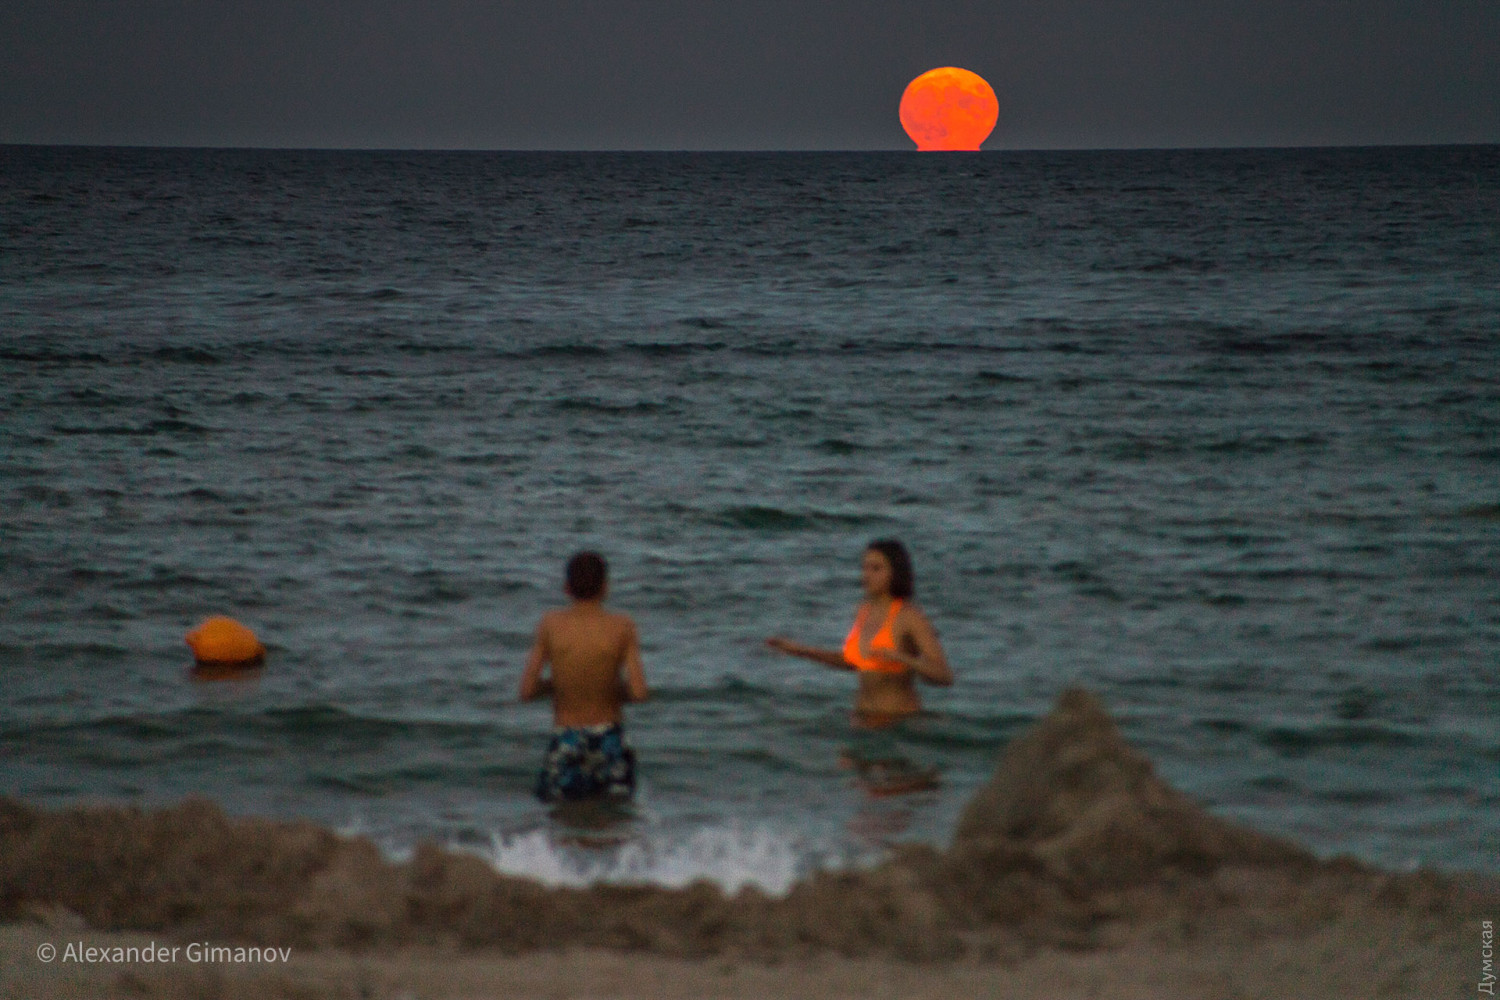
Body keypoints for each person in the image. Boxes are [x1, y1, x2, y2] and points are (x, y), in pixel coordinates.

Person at [766, 539, 952, 727]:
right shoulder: (863, 611)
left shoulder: (910, 616)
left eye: (876, 569)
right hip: (860, 720)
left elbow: (943, 676)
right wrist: (799, 650)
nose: (867, 575)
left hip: (897, 724)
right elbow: (853, 662)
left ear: (895, 573)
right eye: (865, 568)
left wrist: (901, 657)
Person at [520, 551, 649, 802]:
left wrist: (559, 684)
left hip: (567, 736)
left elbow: (527, 691)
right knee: (616, 818)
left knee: (561, 817)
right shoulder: (623, 626)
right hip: (609, 738)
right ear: (605, 587)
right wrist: (607, 686)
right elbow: (639, 692)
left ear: (567, 588)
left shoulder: (550, 624)